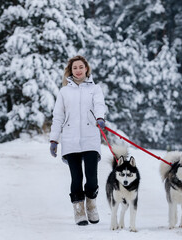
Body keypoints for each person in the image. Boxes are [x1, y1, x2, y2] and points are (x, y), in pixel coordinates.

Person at [49, 55, 107, 226]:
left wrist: (100, 117)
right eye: (75, 68)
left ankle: (91, 203)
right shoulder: (64, 91)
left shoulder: (95, 89)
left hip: (90, 138)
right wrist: (54, 140)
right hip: (70, 139)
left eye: (81, 67)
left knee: (92, 178)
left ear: (86, 69)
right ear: (71, 70)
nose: (78, 70)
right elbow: (58, 116)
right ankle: (79, 209)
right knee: (76, 178)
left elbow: (99, 105)